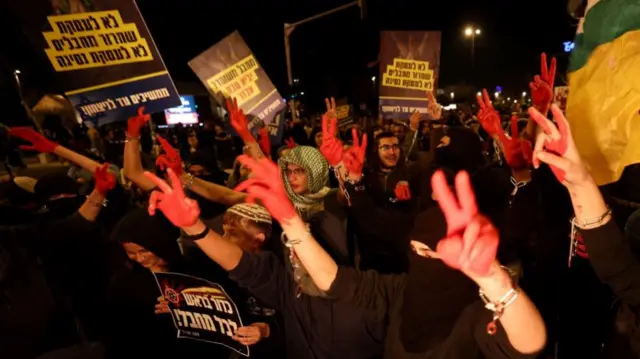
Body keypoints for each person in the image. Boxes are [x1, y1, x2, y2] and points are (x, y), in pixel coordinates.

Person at [222, 152, 547, 359]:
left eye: (434, 255)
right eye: (418, 251)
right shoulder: (399, 292)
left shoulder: (476, 312)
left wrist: (492, 278)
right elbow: (333, 280)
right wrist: (290, 221)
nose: (424, 260)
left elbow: (528, 343)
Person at [145, 168, 385, 359]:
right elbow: (244, 267)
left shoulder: (375, 300)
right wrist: (193, 228)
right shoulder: (287, 282)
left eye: (308, 248)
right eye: (292, 248)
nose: (299, 258)